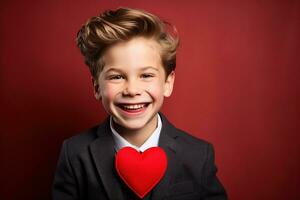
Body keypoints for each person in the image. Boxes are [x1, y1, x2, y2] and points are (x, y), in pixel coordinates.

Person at [52, 7, 227, 200]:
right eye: (117, 76)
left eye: (146, 75)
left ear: (167, 83)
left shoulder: (198, 154)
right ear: (96, 87)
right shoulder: (75, 154)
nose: (132, 90)